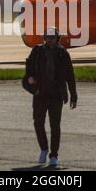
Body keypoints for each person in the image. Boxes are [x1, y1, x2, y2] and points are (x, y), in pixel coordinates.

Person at [25, 27, 78, 167]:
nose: (50, 39)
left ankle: (54, 155)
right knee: (38, 123)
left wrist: (73, 95)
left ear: (57, 38)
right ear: (44, 38)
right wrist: (31, 82)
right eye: (47, 37)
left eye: (52, 37)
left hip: (56, 95)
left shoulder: (63, 53)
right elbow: (29, 68)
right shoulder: (37, 51)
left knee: (55, 126)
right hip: (40, 94)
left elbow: (70, 75)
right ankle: (43, 148)